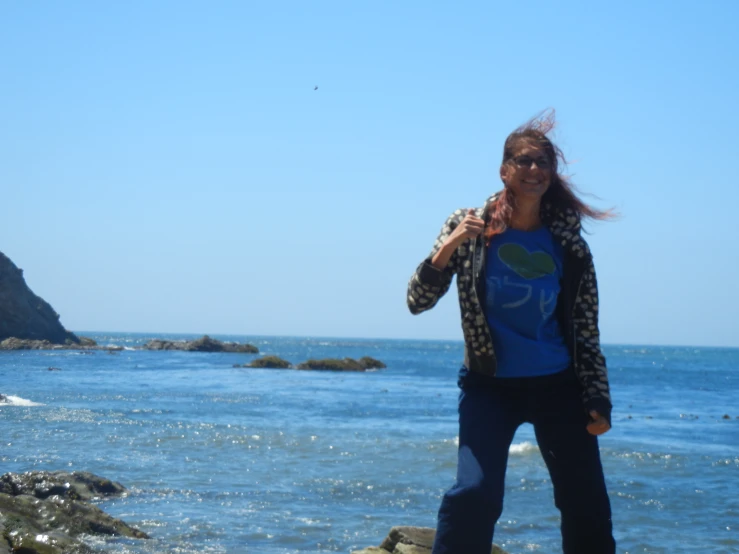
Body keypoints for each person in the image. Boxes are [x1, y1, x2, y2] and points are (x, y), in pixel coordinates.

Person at [406, 111, 616, 554]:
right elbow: (417, 301)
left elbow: (585, 328)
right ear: (504, 170)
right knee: (474, 494)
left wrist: (597, 398)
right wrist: (449, 246)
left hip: (558, 386)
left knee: (585, 501)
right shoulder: (470, 227)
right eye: (524, 161)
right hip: (489, 386)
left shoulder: (569, 245)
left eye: (543, 162)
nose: (535, 170)